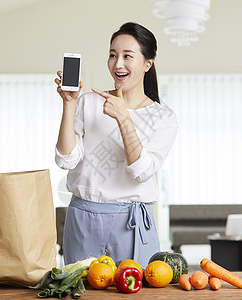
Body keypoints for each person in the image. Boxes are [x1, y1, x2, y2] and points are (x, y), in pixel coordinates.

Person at [54, 22, 178, 268]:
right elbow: (65, 159)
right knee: (81, 291)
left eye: (127, 56)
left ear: (147, 64)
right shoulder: (88, 103)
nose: (117, 63)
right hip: (83, 218)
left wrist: (123, 117)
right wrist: (69, 103)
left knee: (135, 292)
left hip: (130, 223)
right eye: (112, 55)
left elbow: (141, 172)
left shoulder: (163, 118)